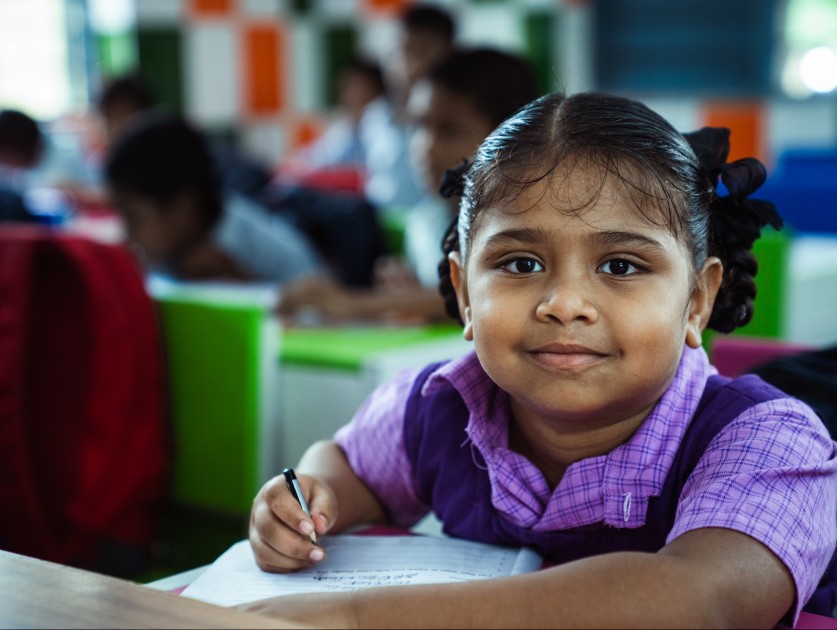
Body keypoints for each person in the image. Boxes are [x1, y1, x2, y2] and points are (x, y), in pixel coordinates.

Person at [243, 92, 837, 628]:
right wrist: (309, 497)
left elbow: (699, 600)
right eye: (521, 264)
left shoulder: (765, 441)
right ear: (466, 293)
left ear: (696, 300)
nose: (565, 305)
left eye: (621, 266)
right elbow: (348, 466)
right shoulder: (436, 405)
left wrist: (356, 616)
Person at [277, 47, 540, 323]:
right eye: (417, 127)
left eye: (448, 130)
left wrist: (353, 303)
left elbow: (484, 294)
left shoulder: (529, 220)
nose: (424, 147)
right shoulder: (429, 220)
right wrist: (412, 295)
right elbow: (450, 297)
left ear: (510, 138)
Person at [104, 112, 322, 284]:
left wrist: (249, 293)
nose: (127, 237)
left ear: (183, 208)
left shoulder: (278, 259)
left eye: (133, 218)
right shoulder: (163, 253)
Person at [358, 3, 457, 212]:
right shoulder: (376, 114)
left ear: (450, 55)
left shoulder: (455, 118)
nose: (407, 63)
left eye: (422, 51)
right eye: (402, 51)